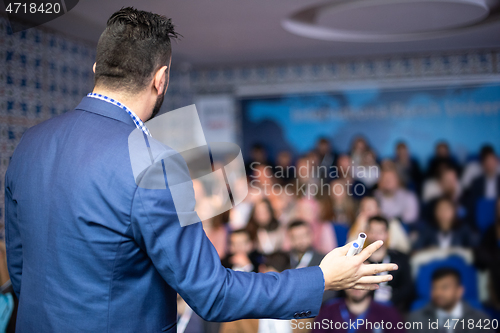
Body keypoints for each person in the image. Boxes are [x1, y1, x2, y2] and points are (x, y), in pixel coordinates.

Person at [4, 7, 397, 332]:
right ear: (161, 79)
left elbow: (21, 272)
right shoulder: (152, 160)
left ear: (97, 67)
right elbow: (212, 294)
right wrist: (322, 278)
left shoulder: (30, 143)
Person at [408, 268, 490, 333]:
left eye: (445, 287)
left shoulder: (480, 320)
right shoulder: (417, 319)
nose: (438, 293)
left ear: (459, 291)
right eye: (434, 288)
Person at [365, 216, 414, 312]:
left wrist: (392, 301)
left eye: (380, 232)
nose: (375, 236)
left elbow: (407, 288)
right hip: (365, 309)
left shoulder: (400, 259)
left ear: (387, 234)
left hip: (393, 309)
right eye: (372, 231)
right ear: (366, 233)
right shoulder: (359, 260)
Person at [311, 288, 405, 333]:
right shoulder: (328, 309)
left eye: (364, 278)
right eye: (353, 278)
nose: (358, 285)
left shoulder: (388, 312)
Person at [414, 197, 478, 251]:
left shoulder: (463, 228)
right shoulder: (428, 229)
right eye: (440, 209)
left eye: (447, 209)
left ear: (454, 211)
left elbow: (474, 248)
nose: (443, 212)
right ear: (435, 212)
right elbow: (417, 248)